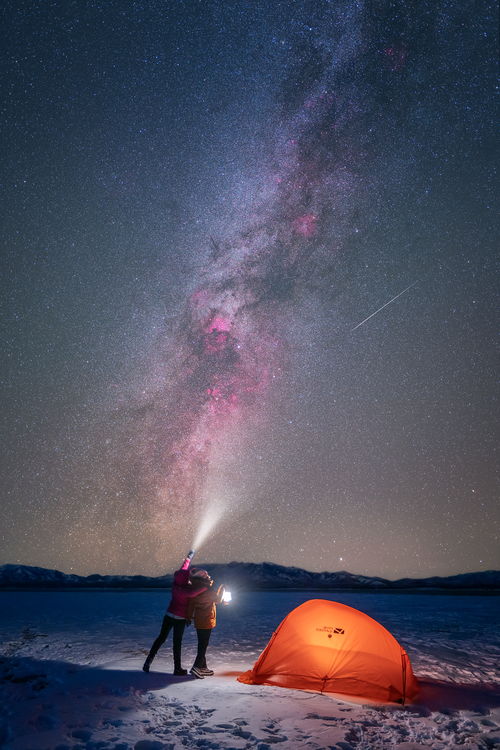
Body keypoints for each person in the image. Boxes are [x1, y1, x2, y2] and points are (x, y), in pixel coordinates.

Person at [143, 550, 206, 675]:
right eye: (187, 578)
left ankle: (148, 662)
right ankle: (177, 668)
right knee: (177, 643)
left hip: (169, 615)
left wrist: (189, 557)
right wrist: (206, 586)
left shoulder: (176, 584)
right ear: (184, 579)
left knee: (161, 638)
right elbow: (194, 592)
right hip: (179, 618)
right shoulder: (185, 591)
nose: (189, 579)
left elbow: (184, 568)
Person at [186, 568, 225, 679]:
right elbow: (217, 600)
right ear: (203, 578)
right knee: (203, 645)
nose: (209, 577)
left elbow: (191, 605)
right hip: (206, 619)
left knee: (202, 643)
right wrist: (222, 589)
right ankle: (196, 667)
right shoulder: (206, 589)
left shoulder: (195, 588)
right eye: (207, 576)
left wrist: (189, 617)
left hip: (199, 619)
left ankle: (203, 667)